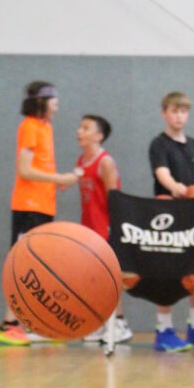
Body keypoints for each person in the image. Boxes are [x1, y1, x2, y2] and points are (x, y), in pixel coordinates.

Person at [0, 81, 78, 346]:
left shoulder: (46, 128)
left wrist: (58, 181)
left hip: (44, 206)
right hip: (28, 206)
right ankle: (9, 324)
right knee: (22, 265)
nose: (57, 106)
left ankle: (36, 323)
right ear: (42, 101)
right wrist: (58, 178)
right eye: (54, 101)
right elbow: (24, 170)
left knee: (40, 268)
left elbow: (41, 167)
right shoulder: (29, 126)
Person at [149, 91, 194, 352]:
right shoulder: (159, 144)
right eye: (174, 111)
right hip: (168, 211)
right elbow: (161, 173)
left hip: (192, 214)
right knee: (167, 272)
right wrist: (177, 188)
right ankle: (164, 329)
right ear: (164, 113)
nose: (179, 116)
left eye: (183, 111)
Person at [75, 114, 133, 344]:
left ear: (99, 136)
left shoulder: (105, 162)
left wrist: (115, 228)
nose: (79, 131)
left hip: (106, 228)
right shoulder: (81, 161)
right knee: (94, 279)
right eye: (80, 127)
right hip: (88, 228)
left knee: (111, 277)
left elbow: (114, 197)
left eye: (86, 128)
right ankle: (102, 323)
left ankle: (119, 323)